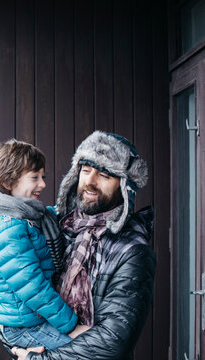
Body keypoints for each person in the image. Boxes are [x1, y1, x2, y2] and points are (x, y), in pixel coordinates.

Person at [13, 131, 156, 359]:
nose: (89, 181)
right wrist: (21, 347)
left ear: (124, 186)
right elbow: (11, 295)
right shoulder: (56, 227)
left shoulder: (133, 251)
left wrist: (38, 359)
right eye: (85, 170)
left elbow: (112, 341)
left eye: (104, 175)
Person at [0, 139, 88, 354]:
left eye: (42, 177)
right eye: (34, 177)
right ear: (8, 182)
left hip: (28, 317)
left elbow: (55, 214)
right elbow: (33, 288)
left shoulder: (29, 216)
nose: (43, 184)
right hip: (21, 326)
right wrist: (71, 326)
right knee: (88, 350)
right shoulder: (6, 228)